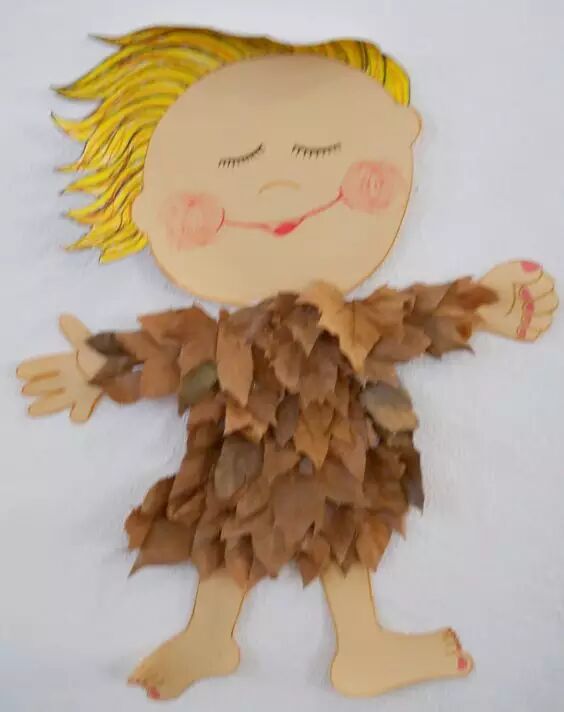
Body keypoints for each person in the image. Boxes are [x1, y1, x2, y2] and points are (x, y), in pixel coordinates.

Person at [17, 27, 557, 700]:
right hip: (239, 450)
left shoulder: (354, 321)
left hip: (338, 451)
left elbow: (412, 318)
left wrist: (483, 302)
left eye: (317, 151)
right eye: (236, 160)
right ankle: (213, 637)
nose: (279, 181)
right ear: (145, 211)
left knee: (342, 526)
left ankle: (360, 646)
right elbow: (169, 349)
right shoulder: (227, 337)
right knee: (230, 525)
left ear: (404, 133)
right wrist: (96, 367)